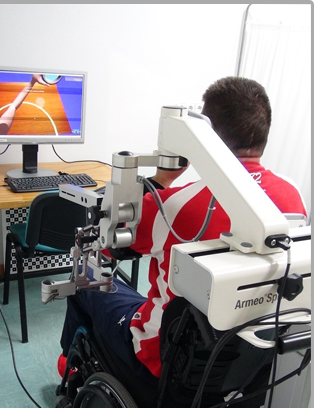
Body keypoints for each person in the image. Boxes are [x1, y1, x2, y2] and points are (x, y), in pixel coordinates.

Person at [58, 76, 307, 383]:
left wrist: (162, 180)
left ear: (206, 138)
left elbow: (107, 247)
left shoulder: (174, 203)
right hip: (243, 363)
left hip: (160, 357)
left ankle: (67, 368)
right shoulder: (293, 197)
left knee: (85, 278)